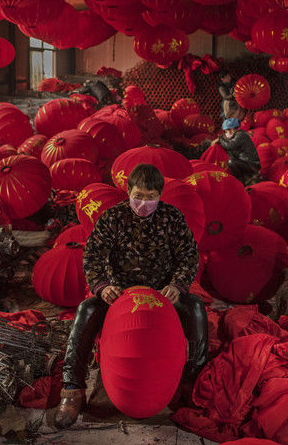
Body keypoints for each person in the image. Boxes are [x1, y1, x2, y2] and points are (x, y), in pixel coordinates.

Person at [55, 164, 208, 429]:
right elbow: (92, 255)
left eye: (151, 197)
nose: (143, 203)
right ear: (128, 192)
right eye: (138, 196)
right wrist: (102, 286)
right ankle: (72, 389)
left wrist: (177, 285)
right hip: (119, 295)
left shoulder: (172, 218)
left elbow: (188, 256)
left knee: (195, 307)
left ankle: (191, 384)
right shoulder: (112, 217)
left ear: (159, 195)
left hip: (162, 295)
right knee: (86, 310)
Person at [213, 118, 261, 183]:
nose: (226, 133)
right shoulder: (236, 135)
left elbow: (230, 145)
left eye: (226, 131)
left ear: (232, 129)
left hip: (251, 164)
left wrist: (220, 139)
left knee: (231, 162)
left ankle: (241, 181)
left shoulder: (240, 135)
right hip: (245, 162)